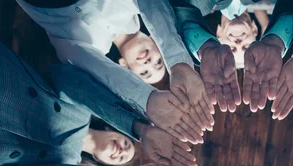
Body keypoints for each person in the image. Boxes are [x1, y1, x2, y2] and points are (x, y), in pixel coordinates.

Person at [0, 2, 197, 166]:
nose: (120, 150)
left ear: (104, 164)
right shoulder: (83, 110)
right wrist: (141, 127)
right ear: (115, 130)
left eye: (120, 159)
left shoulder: (67, 165)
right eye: (126, 142)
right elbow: (66, 77)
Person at [16, 0, 215, 137]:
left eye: (144, 72)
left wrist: (146, 99)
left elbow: (79, 57)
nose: (148, 63)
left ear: (125, 67)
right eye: (158, 62)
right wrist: (178, 64)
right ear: (156, 43)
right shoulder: (133, 11)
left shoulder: (94, 48)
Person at [171, 0, 293, 113]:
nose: (238, 42)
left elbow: (177, 8)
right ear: (254, 29)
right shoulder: (269, 3)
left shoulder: (199, 5)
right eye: (246, 47)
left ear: (219, 34)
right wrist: (275, 43)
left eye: (232, 48)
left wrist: (205, 47)